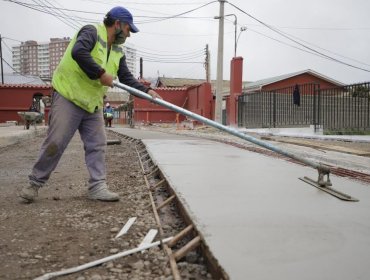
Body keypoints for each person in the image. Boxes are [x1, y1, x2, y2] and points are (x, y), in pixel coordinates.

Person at [19, 6, 162, 203]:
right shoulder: (92, 32)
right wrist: (101, 73)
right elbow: (79, 52)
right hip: (69, 95)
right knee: (56, 141)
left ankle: (97, 186)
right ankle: (34, 183)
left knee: (97, 144)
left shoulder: (118, 51)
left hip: (92, 104)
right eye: (129, 29)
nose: (129, 35)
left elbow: (126, 78)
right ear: (118, 24)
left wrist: (147, 91)